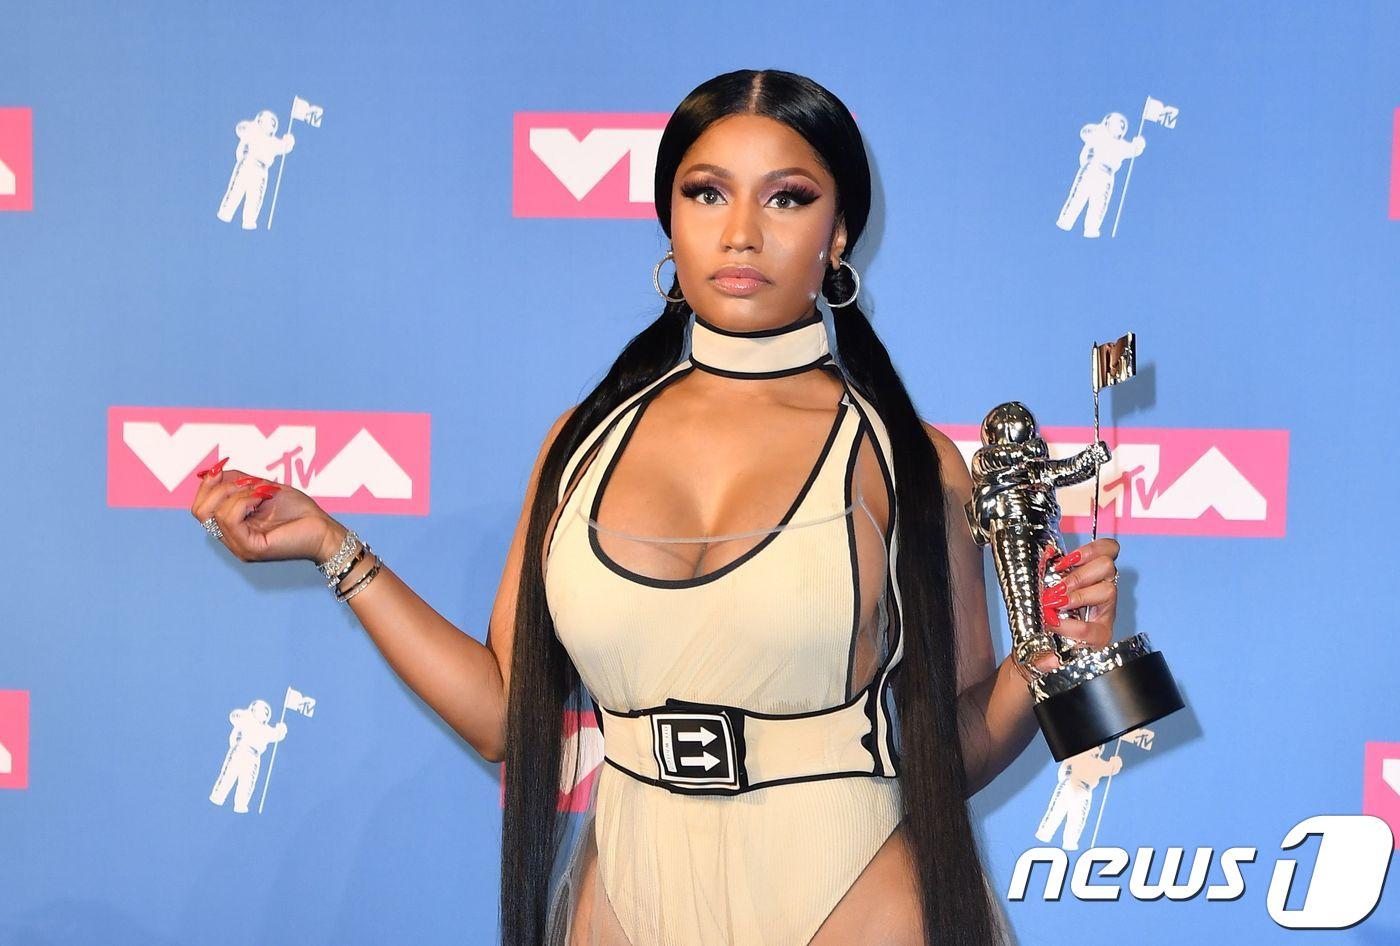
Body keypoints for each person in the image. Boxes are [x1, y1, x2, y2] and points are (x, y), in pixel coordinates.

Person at [189, 69, 1124, 945]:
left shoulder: (908, 459)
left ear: (839, 233)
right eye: (707, 193)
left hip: (853, 895)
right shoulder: (580, 443)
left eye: (787, 198)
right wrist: (332, 546)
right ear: (668, 221)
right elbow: (501, 713)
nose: (741, 233)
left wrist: (1053, 656)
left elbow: (950, 751)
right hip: (623, 900)